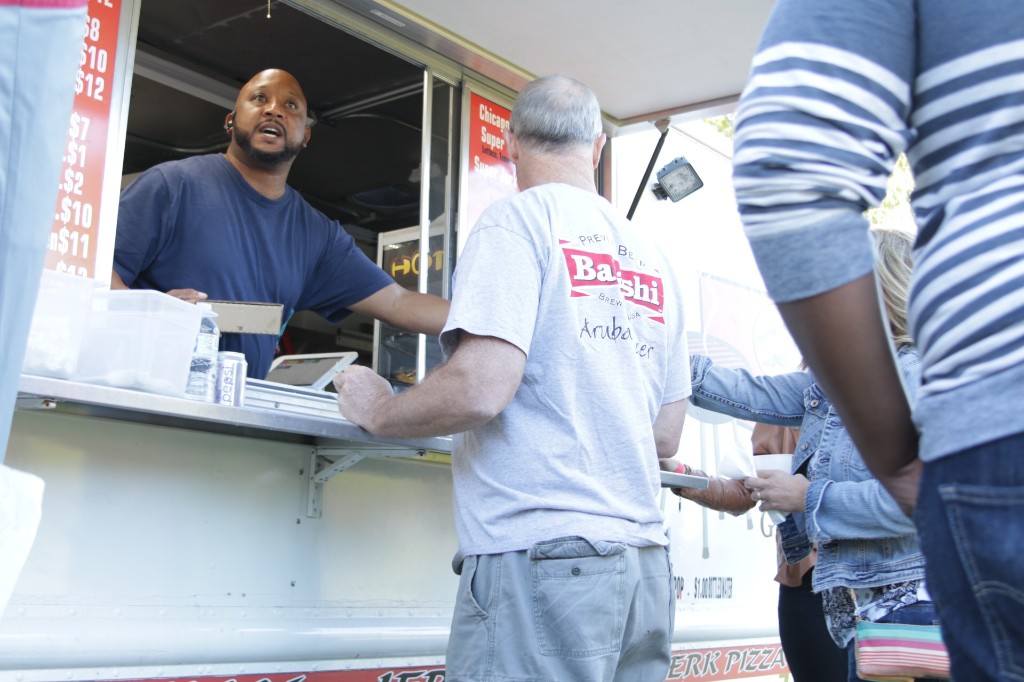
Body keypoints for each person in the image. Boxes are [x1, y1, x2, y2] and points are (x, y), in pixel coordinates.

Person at [334, 74, 690, 681]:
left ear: (509, 141)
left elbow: (479, 389)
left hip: (546, 563)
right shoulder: (652, 258)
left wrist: (380, 409)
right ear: (597, 147)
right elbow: (665, 436)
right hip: (644, 569)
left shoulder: (517, 223)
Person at [731, 3, 1024, 678]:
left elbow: (792, 164)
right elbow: (745, 388)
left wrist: (889, 462)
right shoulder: (807, 390)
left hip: (997, 414)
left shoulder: (906, 376)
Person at [666, 228, 936, 681]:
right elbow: (738, 391)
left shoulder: (919, 380)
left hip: (915, 613)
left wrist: (807, 497)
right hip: (861, 616)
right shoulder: (836, 379)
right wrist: (651, 338)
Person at [111, 68, 449, 378]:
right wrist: (151, 314)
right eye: (259, 98)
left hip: (237, 417)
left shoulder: (317, 234)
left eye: (291, 106)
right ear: (231, 120)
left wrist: (493, 323)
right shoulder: (173, 185)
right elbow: (92, 271)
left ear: (305, 137)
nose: (274, 110)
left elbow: (397, 302)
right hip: (145, 398)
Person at [662, 422, 848, 681]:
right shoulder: (786, 411)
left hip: (869, 581)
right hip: (805, 584)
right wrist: (683, 474)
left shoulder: (878, 401)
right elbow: (744, 491)